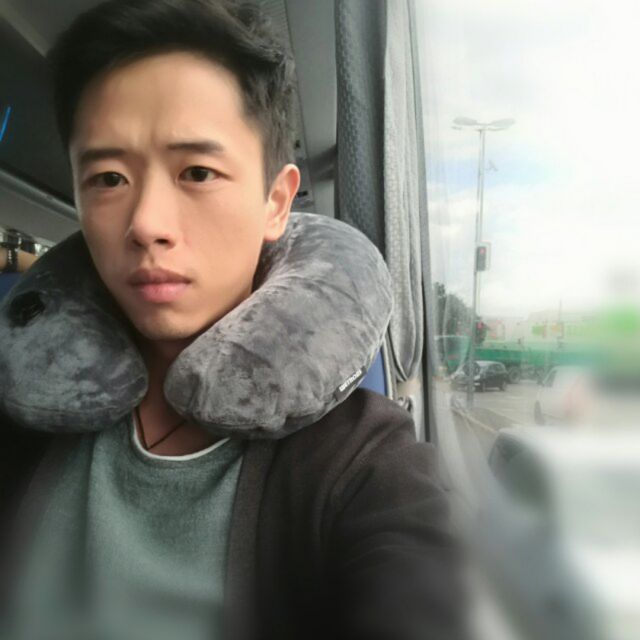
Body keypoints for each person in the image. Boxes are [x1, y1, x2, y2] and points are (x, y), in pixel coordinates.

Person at [0, 1, 467, 638]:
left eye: (198, 172)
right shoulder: (22, 408)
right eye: (108, 178)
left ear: (275, 202)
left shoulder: (363, 465)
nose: (146, 225)